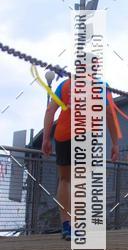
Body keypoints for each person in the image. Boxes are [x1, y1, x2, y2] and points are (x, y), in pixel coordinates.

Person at [41, 74, 120, 240]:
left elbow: (50, 110)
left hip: (62, 134)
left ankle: (66, 225)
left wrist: (45, 138)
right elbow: (109, 114)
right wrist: (115, 143)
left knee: (64, 180)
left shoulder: (64, 85)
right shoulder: (101, 84)